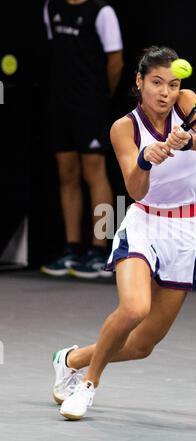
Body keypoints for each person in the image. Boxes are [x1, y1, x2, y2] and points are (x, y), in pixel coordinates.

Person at [51, 46, 196, 420]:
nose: (165, 92)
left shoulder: (189, 102)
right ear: (139, 82)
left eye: (173, 84)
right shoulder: (124, 128)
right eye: (157, 83)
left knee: (143, 345)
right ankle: (87, 385)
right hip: (146, 222)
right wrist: (147, 158)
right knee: (134, 308)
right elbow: (135, 190)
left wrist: (188, 139)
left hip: (189, 229)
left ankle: (71, 359)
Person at [41, 0, 124, 278]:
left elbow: (116, 62)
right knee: (67, 172)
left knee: (96, 172)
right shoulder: (50, 7)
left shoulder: (102, 12)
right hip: (59, 103)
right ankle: (71, 247)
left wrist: (99, 99)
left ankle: (102, 249)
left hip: (91, 105)